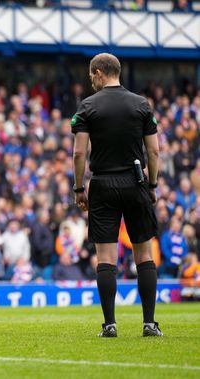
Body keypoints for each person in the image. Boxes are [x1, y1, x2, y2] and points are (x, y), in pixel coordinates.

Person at [72, 53, 162, 338]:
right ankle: (149, 324)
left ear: (99, 73)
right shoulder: (141, 104)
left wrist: (78, 187)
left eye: (91, 77)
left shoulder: (87, 107)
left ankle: (110, 324)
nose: (91, 82)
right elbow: (155, 151)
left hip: (102, 183)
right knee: (143, 254)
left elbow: (78, 153)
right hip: (135, 182)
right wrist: (152, 186)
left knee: (106, 257)